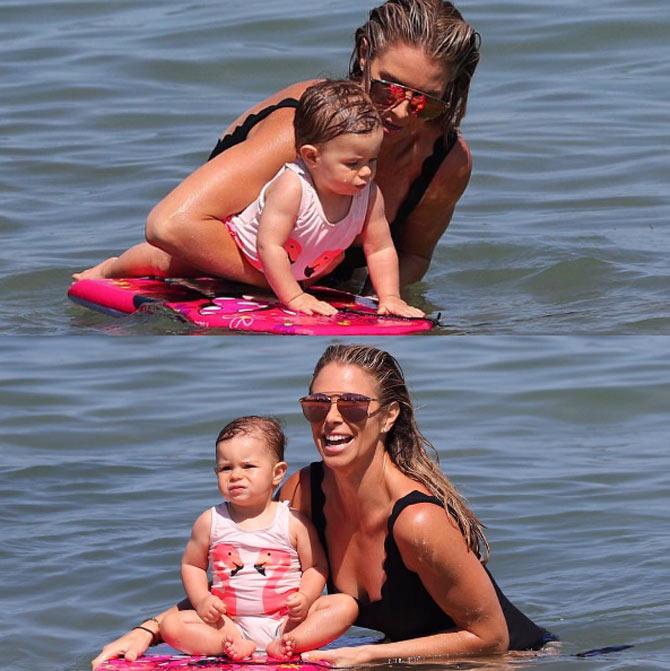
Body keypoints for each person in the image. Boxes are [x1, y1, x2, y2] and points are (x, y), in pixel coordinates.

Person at [92, 346, 556, 669]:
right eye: (318, 405)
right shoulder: (303, 491)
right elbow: (249, 578)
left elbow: (490, 638)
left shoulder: (417, 520)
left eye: (352, 405)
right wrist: (149, 630)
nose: (332, 418)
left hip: (512, 661)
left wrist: (364, 656)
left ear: (388, 416)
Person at [77, 0, 481, 294]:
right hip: (216, 269)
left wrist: (376, 299)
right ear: (363, 57)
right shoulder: (302, 126)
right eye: (388, 87)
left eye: (426, 100)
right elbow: (169, 225)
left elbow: (416, 257)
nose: (401, 111)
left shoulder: (445, 161)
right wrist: (290, 284)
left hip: (317, 294)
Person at [75, 81, 423, 319]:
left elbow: (379, 248)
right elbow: (268, 245)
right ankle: (109, 267)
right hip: (242, 250)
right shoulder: (293, 187)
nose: (365, 173)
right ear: (311, 156)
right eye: (353, 164)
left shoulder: (368, 195)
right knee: (162, 262)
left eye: (372, 161)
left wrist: (389, 297)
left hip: (298, 268)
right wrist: (293, 298)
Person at [160, 416, 358, 660]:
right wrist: (201, 600)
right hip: (229, 624)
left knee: (345, 606)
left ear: (277, 473)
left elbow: (316, 566)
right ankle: (228, 645)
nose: (235, 475)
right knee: (171, 625)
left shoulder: (292, 522)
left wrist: (306, 598)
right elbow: (192, 565)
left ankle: (292, 642)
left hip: (287, 622)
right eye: (226, 468)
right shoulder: (210, 521)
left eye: (248, 466)